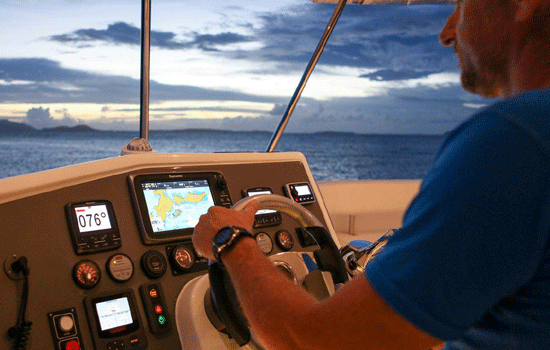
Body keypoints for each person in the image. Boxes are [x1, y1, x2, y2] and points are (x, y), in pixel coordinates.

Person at [193, 0, 550, 348]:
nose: (446, 31)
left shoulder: (515, 140)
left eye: (463, 4)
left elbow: (312, 341)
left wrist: (230, 241)